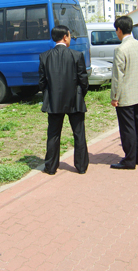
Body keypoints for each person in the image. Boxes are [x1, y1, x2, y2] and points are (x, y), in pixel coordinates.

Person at [39, 25, 89, 175]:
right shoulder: (76, 55)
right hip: (75, 100)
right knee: (79, 133)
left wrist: (48, 95)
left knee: (53, 135)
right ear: (65, 37)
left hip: (54, 101)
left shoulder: (44, 56)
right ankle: (81, 166)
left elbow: (42, 82)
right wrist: (81, 95)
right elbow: (84, 81)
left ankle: (51, 167)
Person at [110, 16, 138, 170]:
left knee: (127, 128)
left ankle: (129, 159)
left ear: (119, 30)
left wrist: (114, 97)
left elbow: (117, 76)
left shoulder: (120, 49)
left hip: (125, 95)